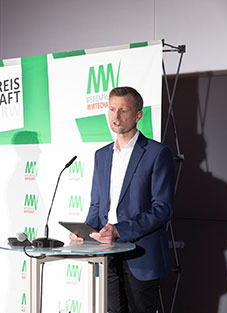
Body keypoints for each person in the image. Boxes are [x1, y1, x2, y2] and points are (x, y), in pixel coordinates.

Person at [70, 87, 175, 313]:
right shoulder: (101, 155)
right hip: (106, 256)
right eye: (112, 109)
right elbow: (97, 205)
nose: (116, 117)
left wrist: (118, 230)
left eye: (123, 111)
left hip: (141, 255)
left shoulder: (157, 153)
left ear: (138, 115)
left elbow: (162, 209)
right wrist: (84, 232)